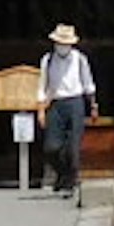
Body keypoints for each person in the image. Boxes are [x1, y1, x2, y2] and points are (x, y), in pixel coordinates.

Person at [36, 24, 95, 194]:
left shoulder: (79, 59)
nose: (62, 46)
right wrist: (40, 108)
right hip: (55, 102)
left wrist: (92, 104)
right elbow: (42, 85)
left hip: (75, 101)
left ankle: (70, 180)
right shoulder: (47, 60)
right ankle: (62, 173)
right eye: (59, 42)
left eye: (65, 43)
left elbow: (87, 82)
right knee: (51, 147)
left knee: (73, 147)